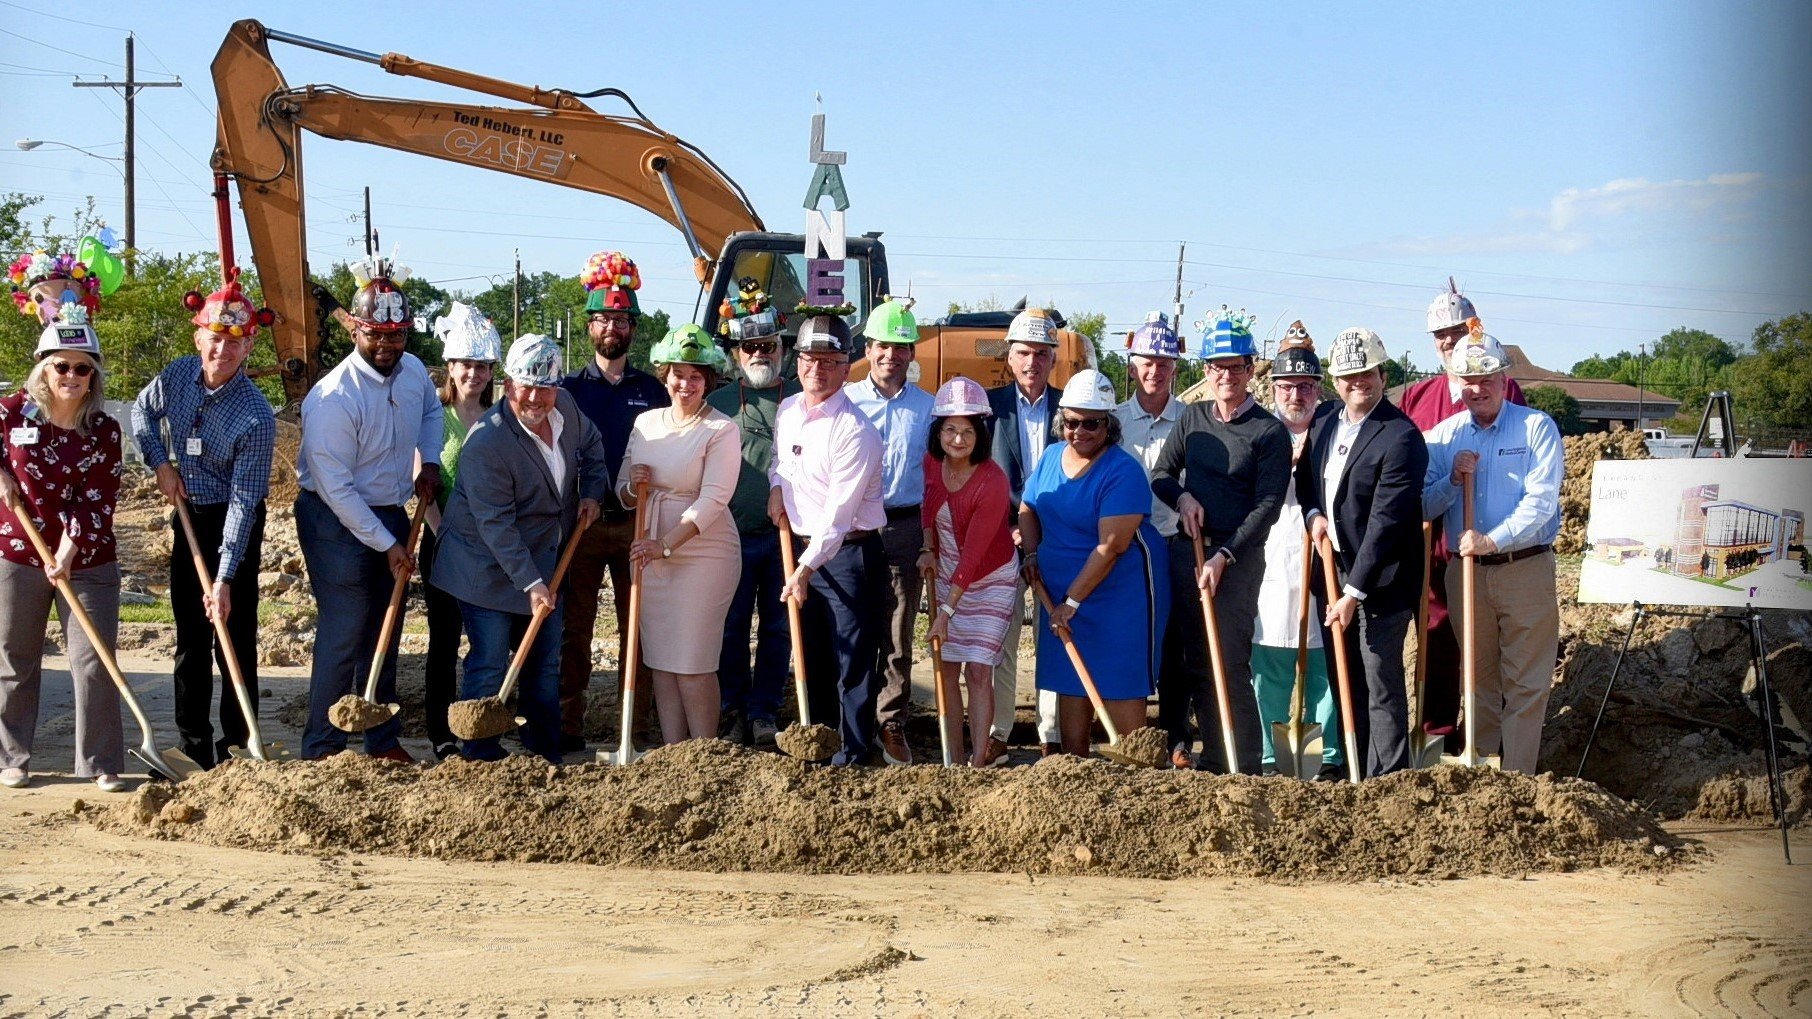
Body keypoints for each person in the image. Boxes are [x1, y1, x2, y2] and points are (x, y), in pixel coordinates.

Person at [429, 334, 605, 762]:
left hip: (547, 558)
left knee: (544, 663)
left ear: (556, 388)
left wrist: (592, 494)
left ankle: (543, 752)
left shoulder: (567, 412)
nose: (534, 397)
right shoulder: (487, 442)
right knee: (489, 659)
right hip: (483, 565)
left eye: (544, 388)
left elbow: (594, 450)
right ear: (507, 386)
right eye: (524, 386)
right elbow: (497, 525)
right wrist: (531, 583)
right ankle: (479, 752)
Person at [296, 260, 442, 762]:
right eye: (376, 334)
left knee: (387, 627)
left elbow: (431, 410)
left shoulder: (414, 372)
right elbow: (336, 489)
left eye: (397, 335)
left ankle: (380, 740)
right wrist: (388, 545)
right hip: (333, 520)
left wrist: (431, 460)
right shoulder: (333, 398)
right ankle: (323, 746)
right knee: (346, 628)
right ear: (356, 328)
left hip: (389, 508)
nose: (387, 346)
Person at [130, 273, 276, 770]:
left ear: (249, 345)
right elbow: (141, 416)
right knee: (191, 638)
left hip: (234, 524)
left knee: (233, 632)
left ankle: (238, 745)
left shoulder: (256, 415)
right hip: (188, 515)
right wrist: (159, 463)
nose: (223, 352)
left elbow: (244, 500)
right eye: (215, 340)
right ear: (199, 338)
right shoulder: (175, 377)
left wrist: (226, 577)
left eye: (234, 344)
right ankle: (192, 744)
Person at [1150, 307, 1291, 775]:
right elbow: (1161, 475)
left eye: (1236, 367)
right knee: (1190, 658)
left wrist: (1225, 556)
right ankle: (1196, 752)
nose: (1226, 376)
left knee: (1227, 661)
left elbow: (1268, 504)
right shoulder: (1192, 418)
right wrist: (1184, 497)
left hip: (1238, 557)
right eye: (1217, 367)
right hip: (1187, 549)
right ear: (1206, 371)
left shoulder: (1268, 432)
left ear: (1252, 370)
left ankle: (1240, 762)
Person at [1422, 333, 1562, 774]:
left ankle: (1517, 778)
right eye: (1468, 379)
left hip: (1525, 568)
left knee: (1525, 682)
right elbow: (1423, 504)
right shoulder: (1442, 438)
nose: (1477, 388)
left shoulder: (1536, 428)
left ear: (1503, 379)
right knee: (1478, 680)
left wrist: (1492, 539)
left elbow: (1541, 503)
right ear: (1455, 380)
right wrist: (1452, 482)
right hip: (1465, 575)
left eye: (1487, 377)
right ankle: (1482, 776)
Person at [0, 304, 126, 792]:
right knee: (15, 658)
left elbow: (97, 502)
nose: (71, 375)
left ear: (93, 375)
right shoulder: (10, 414)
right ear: (43, 367)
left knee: (94, 660)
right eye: (62, 365)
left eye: (82, 367)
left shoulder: (104, 430)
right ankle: (13, 757)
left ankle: (100, 763)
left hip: (88, 559)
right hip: (19, 553)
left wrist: (66, 556)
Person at [1297, 327, 1428, 778]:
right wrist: (1314, 515)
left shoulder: (1401, 437)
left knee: (1379, 680)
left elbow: (1385, 525)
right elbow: (1306, 482)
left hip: (1382, 582)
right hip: (1331, 570)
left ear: (1383, 374)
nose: (1358, 383)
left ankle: (1388, 779)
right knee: (1343, 674)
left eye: (1367, 373)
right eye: (1349, 375)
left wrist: (1354, 594)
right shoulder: (1324, 422)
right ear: (1335, 381)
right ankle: (1352, 768)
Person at [1398, 281, 1525, 746]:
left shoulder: (1503, 386)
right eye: (1440, 336)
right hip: (1435, 541)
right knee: (1436, 635)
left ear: (1474, 328)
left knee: (1488, 643)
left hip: (1487, 540)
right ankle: (1436, 732)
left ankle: (1485, 735)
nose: (1448, 342)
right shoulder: (1418, 397)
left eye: (1455, 331)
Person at [1020, 369, 1169, 756]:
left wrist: (1072, 602)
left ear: (1109, 425)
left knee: (1118, 678)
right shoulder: (1052, 457)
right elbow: (1028, 507)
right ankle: (1076, 769)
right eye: (1071, 422)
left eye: (1091, 423)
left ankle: (1139, 775)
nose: (1079, 431)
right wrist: (1032, 554)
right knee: (1070, 678)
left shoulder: (1123, 471)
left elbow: (1110, 547)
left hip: (1116, 598)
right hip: (1060, 597)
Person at [559, 251, 668, 752]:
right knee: (574, 630)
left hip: (635, 525)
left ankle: (636, 729)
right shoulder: (566, 390)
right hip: (581, 522)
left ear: (632, 329)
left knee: (638, 629)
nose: (612, 327)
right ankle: (567, 728)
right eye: (603, 318)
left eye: (621, 319)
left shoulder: (653, 389)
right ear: (589, 326)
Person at [768, 314, 886, 766]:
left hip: (847, 554)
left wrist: (804, 570)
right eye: (810, 358)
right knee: (812, 654)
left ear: (847, 366)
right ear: (797, 361)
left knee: (851, 660)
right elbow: (782, 462)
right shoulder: (787, 410)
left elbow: (837, 519)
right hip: (799, 546)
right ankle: (816, 746)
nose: (818, 369)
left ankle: (854, 754)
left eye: (830, 361)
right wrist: (777, 488)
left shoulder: (855, 432)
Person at [620, 325, 742, 744]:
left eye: (696, 376)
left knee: (692, 663)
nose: (685, 384)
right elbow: (624, 493)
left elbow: (713, 500)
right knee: (663, 663)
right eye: (678, 374)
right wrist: (631, 484)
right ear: (664, 375)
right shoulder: (646, 423)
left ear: (708, 380)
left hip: (702, 552)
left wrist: (666, 544)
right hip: (652, 549)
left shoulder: (721, 430)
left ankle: (704, 752)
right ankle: (675, 755)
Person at [1247, 326, 1344, 780]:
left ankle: (1324, 756)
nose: (1296, 396)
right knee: (1269, 666)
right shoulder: (1260, 433)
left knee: (1324, 662)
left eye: (1305, 387)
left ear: (1318, 389)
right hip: (1270, 561)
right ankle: (1269, 753)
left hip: (1323, 557)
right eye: (1287, 387)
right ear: (1274, 390)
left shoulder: (1334, 431)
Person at [708, 286, 799, 747]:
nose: (759, 354)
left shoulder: (802, 397)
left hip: (786, 537)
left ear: (782, 347)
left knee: (779, 628)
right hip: (732, 536)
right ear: (737, 352)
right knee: (731, 625)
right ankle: (731, 709)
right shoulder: (720, 402)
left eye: (768, 346)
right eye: (750, 347)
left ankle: (764, 710)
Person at [846, 297, 935, 765]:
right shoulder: (845, 402)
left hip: (903, 523)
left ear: (912, 353)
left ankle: (891, 720)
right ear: (868, 347)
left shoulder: (928, 408)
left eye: (901, 347)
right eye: (882, 345)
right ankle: (851, 719)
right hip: (855, 526)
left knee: (898, 629)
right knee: (854, 623)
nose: (890, 356)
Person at [919, 376, 1016, 767]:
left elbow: (974, 555)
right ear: (938, 431)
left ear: (981, 432)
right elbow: (929, 503)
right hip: (946, 573)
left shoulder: (993, 481)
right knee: (946, 667)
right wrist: (927, 547)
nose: (958, 439)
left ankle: (977, 762)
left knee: (978, 668)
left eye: (967, 431)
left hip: (990, 579)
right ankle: (952, 761)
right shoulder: (931, 462)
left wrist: (945, 613)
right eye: (950, 429)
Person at [983, 307, 1064, 763]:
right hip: (1003, 539)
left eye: (1041, 353)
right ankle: (999, 729)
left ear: (1053, 359)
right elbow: (981, 474)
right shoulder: (989, 409)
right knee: (1004, 635)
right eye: (1024, 353)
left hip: (1057, 538)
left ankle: (1050, 733)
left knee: (1053, 633)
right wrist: (1012, 526)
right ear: (1009, 358)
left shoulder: (1070, 411)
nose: (1032, 362)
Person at [420, 302, 499, 760]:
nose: (475, 373)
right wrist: (446, 535)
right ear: (451, 366)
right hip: (444, 542)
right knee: (445, 638)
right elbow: (424, 480)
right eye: (466, 364)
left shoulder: (498, 416)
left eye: (483, 366)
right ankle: (441, 731)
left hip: (491, 547)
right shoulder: (435, 414)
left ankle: (483, 724)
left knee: (489, 641)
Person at [1113, 311, 1191, 768]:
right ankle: (1134, 734)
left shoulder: (1193, 419)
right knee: (1131, 640)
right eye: (1147, 361)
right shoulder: (1115, 422)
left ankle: (1178, 738)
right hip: (1126, 547)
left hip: (1174, 541)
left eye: (1164, 362)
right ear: (1132, 365)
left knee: (1176, 645)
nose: (1155, 370)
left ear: (1175, 367)